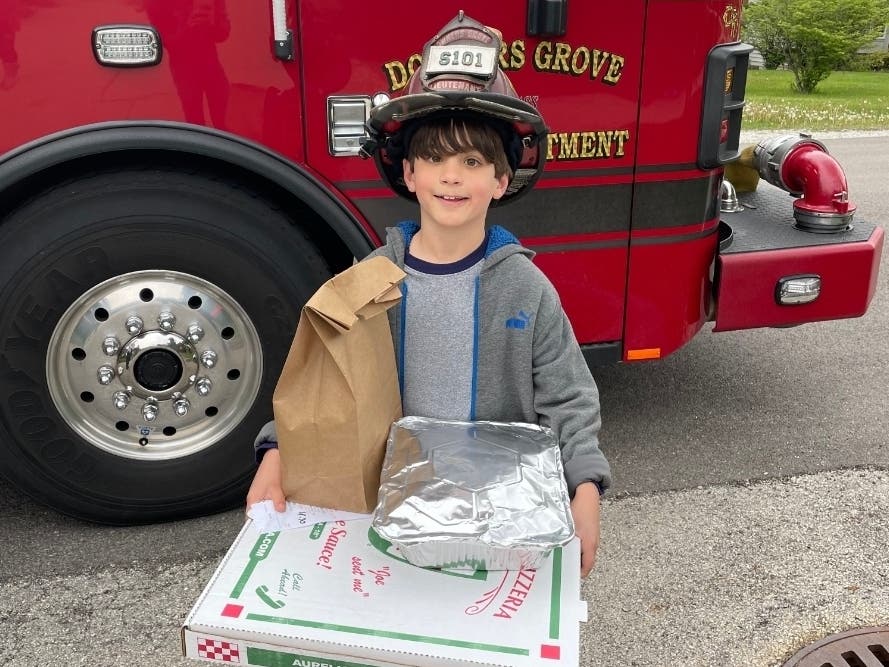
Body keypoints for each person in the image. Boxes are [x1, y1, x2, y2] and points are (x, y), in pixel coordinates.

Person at [247, 13, 611, 577]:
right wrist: (278, 453)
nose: (451, 176)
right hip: (389, 505)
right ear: (409, 174)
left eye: (472, 161)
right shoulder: (372, 279)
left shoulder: (525, 289)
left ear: (500, 180)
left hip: (499, 513)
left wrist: (584, 488)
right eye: (435, 159)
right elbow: (320, 383)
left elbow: (568, 399)